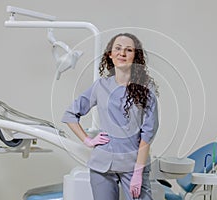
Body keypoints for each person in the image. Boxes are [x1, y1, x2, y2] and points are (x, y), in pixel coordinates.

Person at [62, 33, 159, 200]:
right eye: (118, 49)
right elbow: (70, 114)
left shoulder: (146, 89)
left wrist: (138, 173)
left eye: (128, 50)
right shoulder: (100, 86)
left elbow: (148, 133)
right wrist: (88, 140)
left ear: (136, 56)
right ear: (110, 54)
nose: (122, 53)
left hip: (133, 164)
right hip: (102, 165)